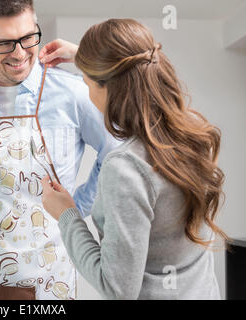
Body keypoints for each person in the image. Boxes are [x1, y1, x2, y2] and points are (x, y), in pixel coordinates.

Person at [0, 0, 120, 300]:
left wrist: (78, 207)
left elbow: (115, 151)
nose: (19, 53)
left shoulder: (74, 93)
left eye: (28, 38)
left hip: (47, 276)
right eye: (4, 43)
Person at [39, 18, 228, 300]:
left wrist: (67, 215)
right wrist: (85, 57)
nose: (87, 93)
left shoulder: (126, 168)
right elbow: (139, 65)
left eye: (88, 82)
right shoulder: (191, 134)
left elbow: (118, 289)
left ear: (110, 88)